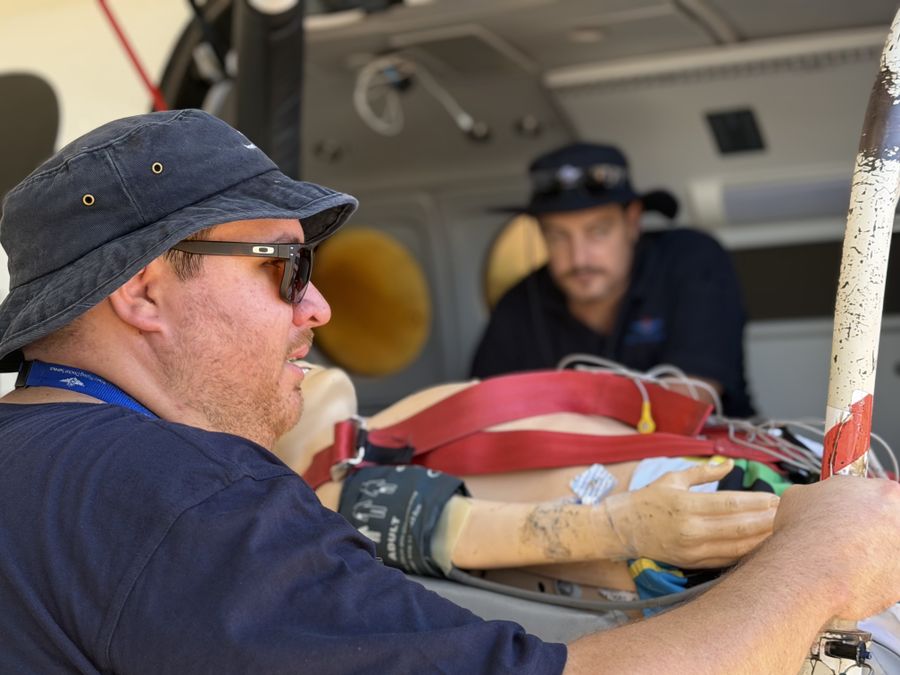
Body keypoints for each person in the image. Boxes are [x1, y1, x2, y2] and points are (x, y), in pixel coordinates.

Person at [0, 109, 897, 675]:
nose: (319, 303)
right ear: (144, 290)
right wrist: (818, 565)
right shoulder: (194, 498)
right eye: (284, 266)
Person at [471, 142, 755, 417]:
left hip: (710, 461)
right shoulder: (520, 303)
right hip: (562, 464)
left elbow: (685, 405)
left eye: (598, 231)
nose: (579, 258)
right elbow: (480, 412)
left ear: (632, 222)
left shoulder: (691, 259)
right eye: (558, 236)